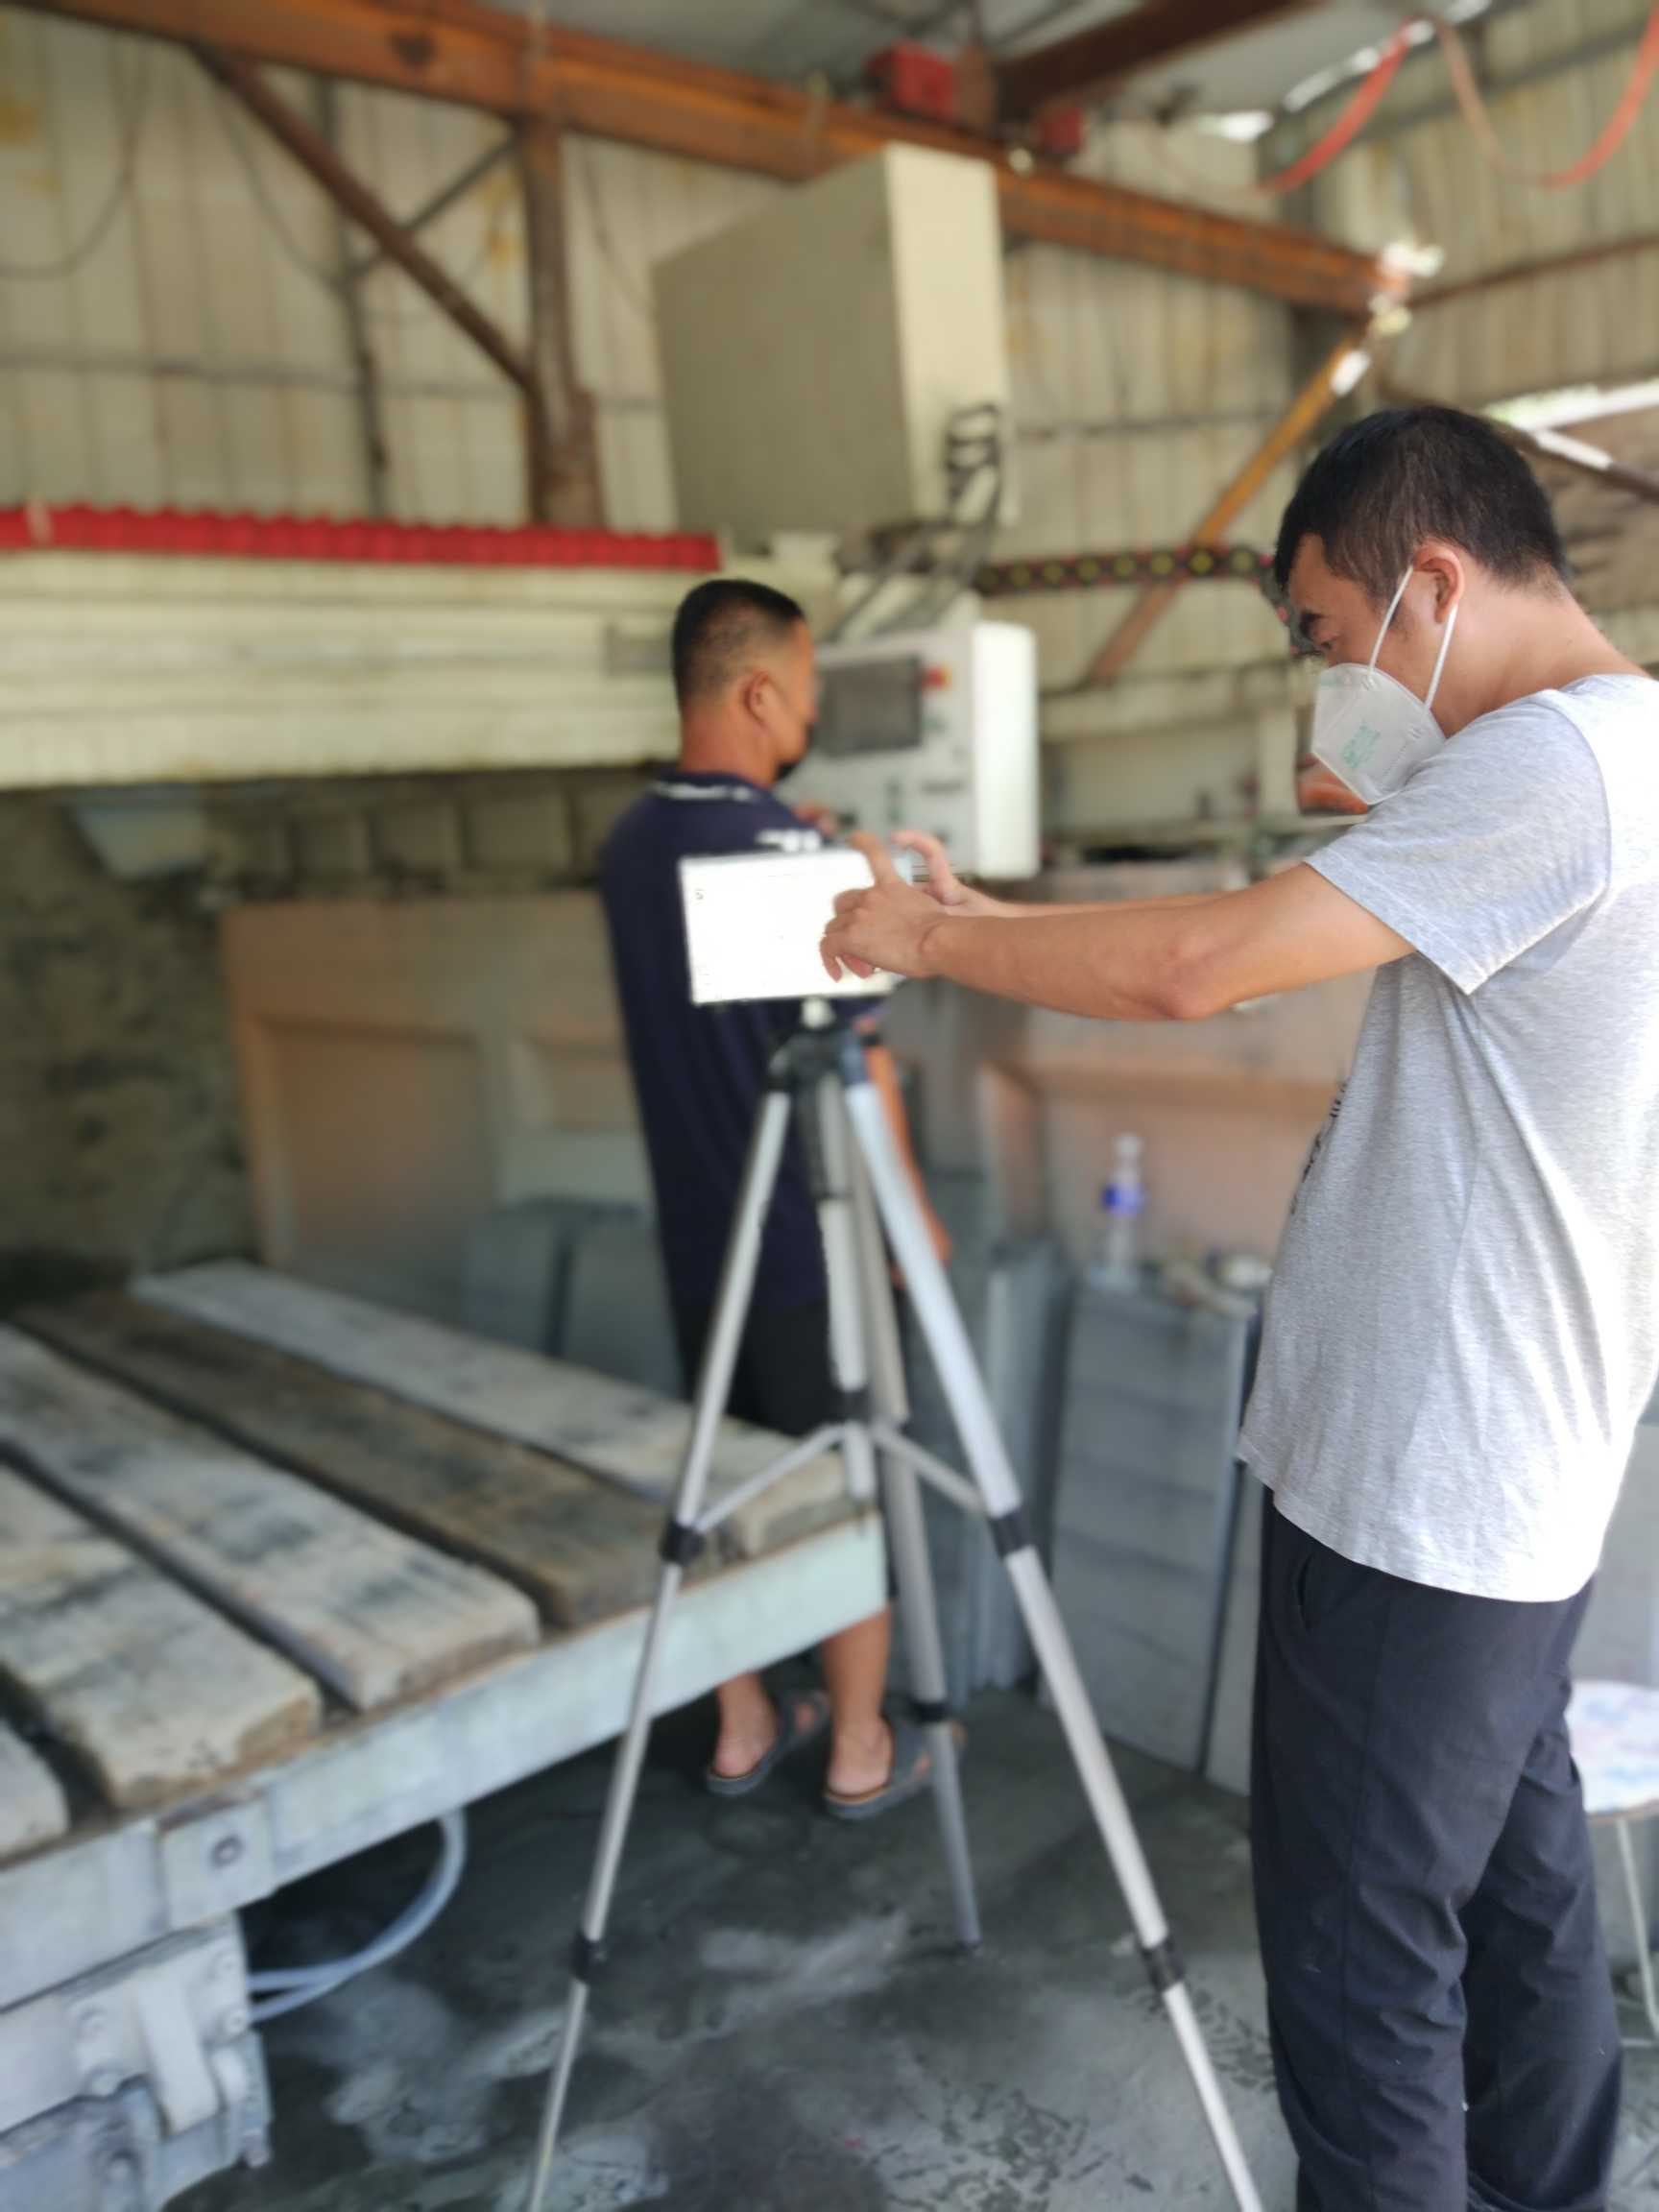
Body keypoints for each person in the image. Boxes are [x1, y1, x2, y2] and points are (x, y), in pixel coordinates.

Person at [820, 406, 1659, 2211]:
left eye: (1327, 631)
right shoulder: (1624, 752)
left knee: (1366, 1986)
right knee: (1517, 1924)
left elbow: (1200, 967)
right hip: (1524, 1481)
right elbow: (1296, 874)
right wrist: (1006, 913)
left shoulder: (1553, 769)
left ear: (1436, 582)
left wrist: (935, 938)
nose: (1326, 682)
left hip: (1417, 1495)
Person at [601, 576, 953, 1821]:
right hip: (816, 1242)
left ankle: (744, 1724)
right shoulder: (795, 859)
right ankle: (860, 1746)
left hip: (704, 1237)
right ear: (758, 692)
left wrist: (793, 846)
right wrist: (910, 1222)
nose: (807, 714)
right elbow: (863, 1056)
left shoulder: (631, 846)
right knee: (846, 1492)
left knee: (732, 1490)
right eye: (803, 690)